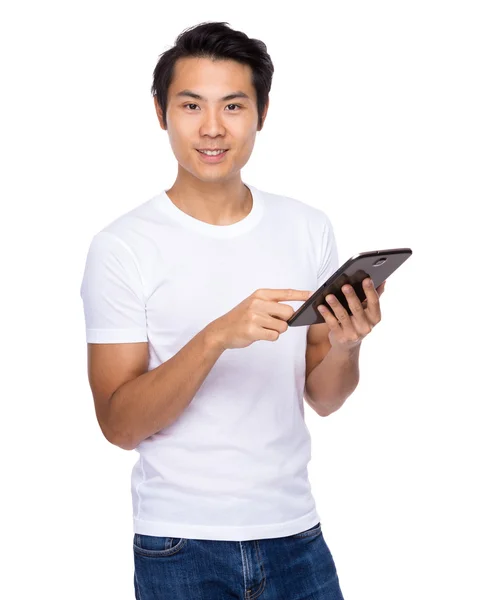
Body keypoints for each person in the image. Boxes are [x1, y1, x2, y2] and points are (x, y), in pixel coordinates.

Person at [80, 20, 384, 600]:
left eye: (234, 106)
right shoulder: (122, 246)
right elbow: (119, 425)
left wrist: (348, 343)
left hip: (296, 535)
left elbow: (325, 397)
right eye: (191, 105)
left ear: (262, 114)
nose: (213, 128)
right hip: (180, 545)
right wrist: (216, 336)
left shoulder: (307, 227)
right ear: (160, 112)